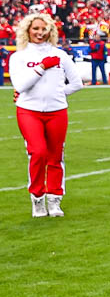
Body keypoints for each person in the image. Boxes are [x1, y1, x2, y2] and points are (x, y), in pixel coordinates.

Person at [12, 12, 82, 217]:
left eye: (44, 29)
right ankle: (37, 198)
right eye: (35, 28)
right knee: (38, 152)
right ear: (27, 30)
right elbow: (20, 85)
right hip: (29, 111)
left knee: (55, 156)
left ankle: (54, 199)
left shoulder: (60, 55)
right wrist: (42, 67)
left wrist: (59, 93)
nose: (40, 33)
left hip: (57, 111)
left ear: (51, 31)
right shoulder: (19, 56)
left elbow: (76, 83)